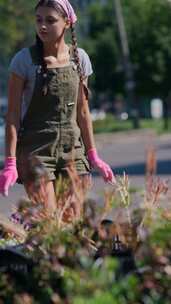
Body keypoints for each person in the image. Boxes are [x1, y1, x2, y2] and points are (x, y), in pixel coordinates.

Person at [0, 0, 115, 217]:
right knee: (51, 222)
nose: (43, 26)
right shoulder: (23, 61)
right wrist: (10, 163)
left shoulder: (79, 59)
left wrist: (93, 155)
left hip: (73, 150)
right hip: (36, 151)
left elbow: (82, 111)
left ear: (67, 23)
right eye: (38, 20)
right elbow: (13, 115)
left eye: (50, 20)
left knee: (74, 220)